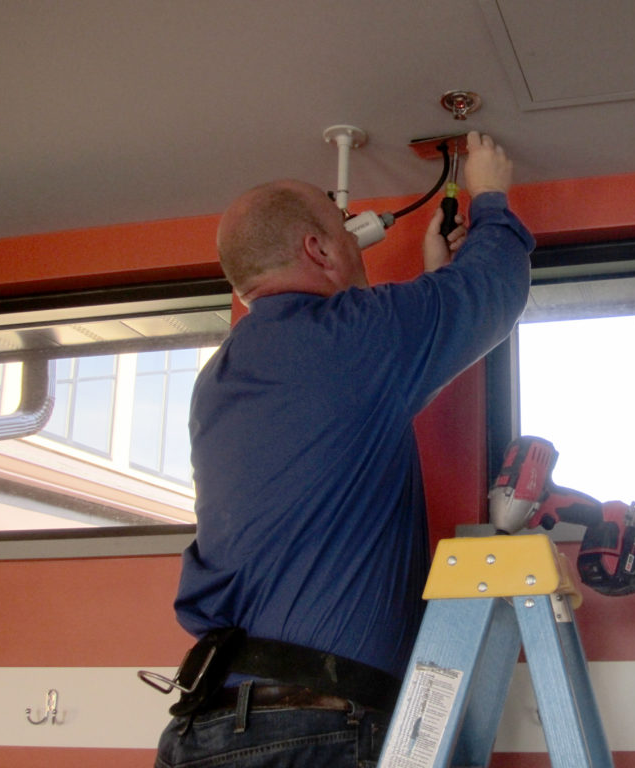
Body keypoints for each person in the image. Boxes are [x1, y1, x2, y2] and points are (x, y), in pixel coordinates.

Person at [154, 131, 534, 767]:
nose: (359, 240)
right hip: (309, 733)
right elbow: (494, 288)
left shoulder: (219, 379)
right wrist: (490, 194)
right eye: (344, 227)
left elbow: (355, 411)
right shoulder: (350, 342)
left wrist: (431, 280)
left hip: (204, 732)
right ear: (318, 248)